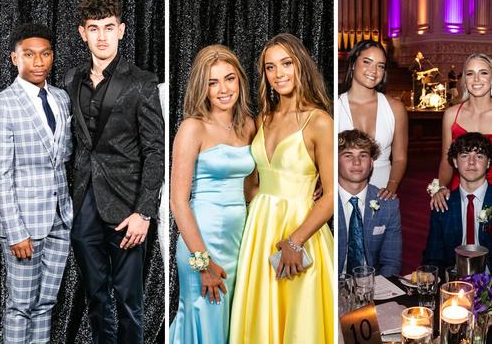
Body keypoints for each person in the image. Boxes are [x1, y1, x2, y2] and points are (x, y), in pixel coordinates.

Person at [60, 0, 164, 343]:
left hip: (126, 207)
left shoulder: (141, 82)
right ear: (82, 34)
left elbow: (154, 150)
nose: (102, 36)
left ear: (121, 30)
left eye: (108, 28)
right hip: (84, 203)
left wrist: (144, 213)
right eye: (94, 29)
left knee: (130, 300)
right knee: (96, 298)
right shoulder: (71, 80)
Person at [229, 33, 334, 344]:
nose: (279, 74)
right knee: (262, 319)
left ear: (300, 65)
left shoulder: (320, 122)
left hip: (302, 232)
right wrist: (254, 212)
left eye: (286, 64)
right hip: (259, 231)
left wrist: (295, 242)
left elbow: (329, 195)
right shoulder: (262, 119)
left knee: (300, 321)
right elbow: (253, 180)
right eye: (270, 67)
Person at [169, 45, 255, 343]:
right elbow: (178, 203)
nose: (223, 89)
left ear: (240, 81)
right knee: (204, 322)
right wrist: (202, 264)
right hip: (200, 242)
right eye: (212, 82)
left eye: (229, 78)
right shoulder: (193, 128)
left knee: (231, 324)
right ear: (202, 87)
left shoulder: (248, 126)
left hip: (239, 240)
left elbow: (252, 188)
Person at [0, 23, 73, 344]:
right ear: (15, 58)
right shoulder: (4, 104)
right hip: (25, 227)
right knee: (20, 306)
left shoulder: (61, 98)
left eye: (45, 54)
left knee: (46, 304)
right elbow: (1, 174)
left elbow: (65, 157)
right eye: (29, 55)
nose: (38, 62)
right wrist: (15, 231)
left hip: (61, 219)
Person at [337, 39, 408, 199]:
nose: (374, 70)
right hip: (342, 190)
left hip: (383, 190)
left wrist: (392, 186)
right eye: (367, 62)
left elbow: (400, 157)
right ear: (353, 63)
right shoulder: (334, 106)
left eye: (380, 66)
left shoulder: (396, 108)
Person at [430, 53, 492, 212]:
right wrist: (441, 188)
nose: (477, 79)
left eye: (483, 73)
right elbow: (446, 160)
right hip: (460, 191)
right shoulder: (451, 114)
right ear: (464, 80)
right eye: (470, 74)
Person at [423, 132, 492, 272]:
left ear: (488, 162)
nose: (471, 162)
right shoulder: (443, 204)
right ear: (455, 161)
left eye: (479, 156)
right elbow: (433, 256)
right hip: (454, 283)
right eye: (465, 156)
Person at [337, 129, 402, 277]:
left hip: (373, 286)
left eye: (363, 155)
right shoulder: (324, 201)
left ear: (371, 163)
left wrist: (374, 291)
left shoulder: (388, 204)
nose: (357, 162)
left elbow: (391, 262)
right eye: (348, 155)